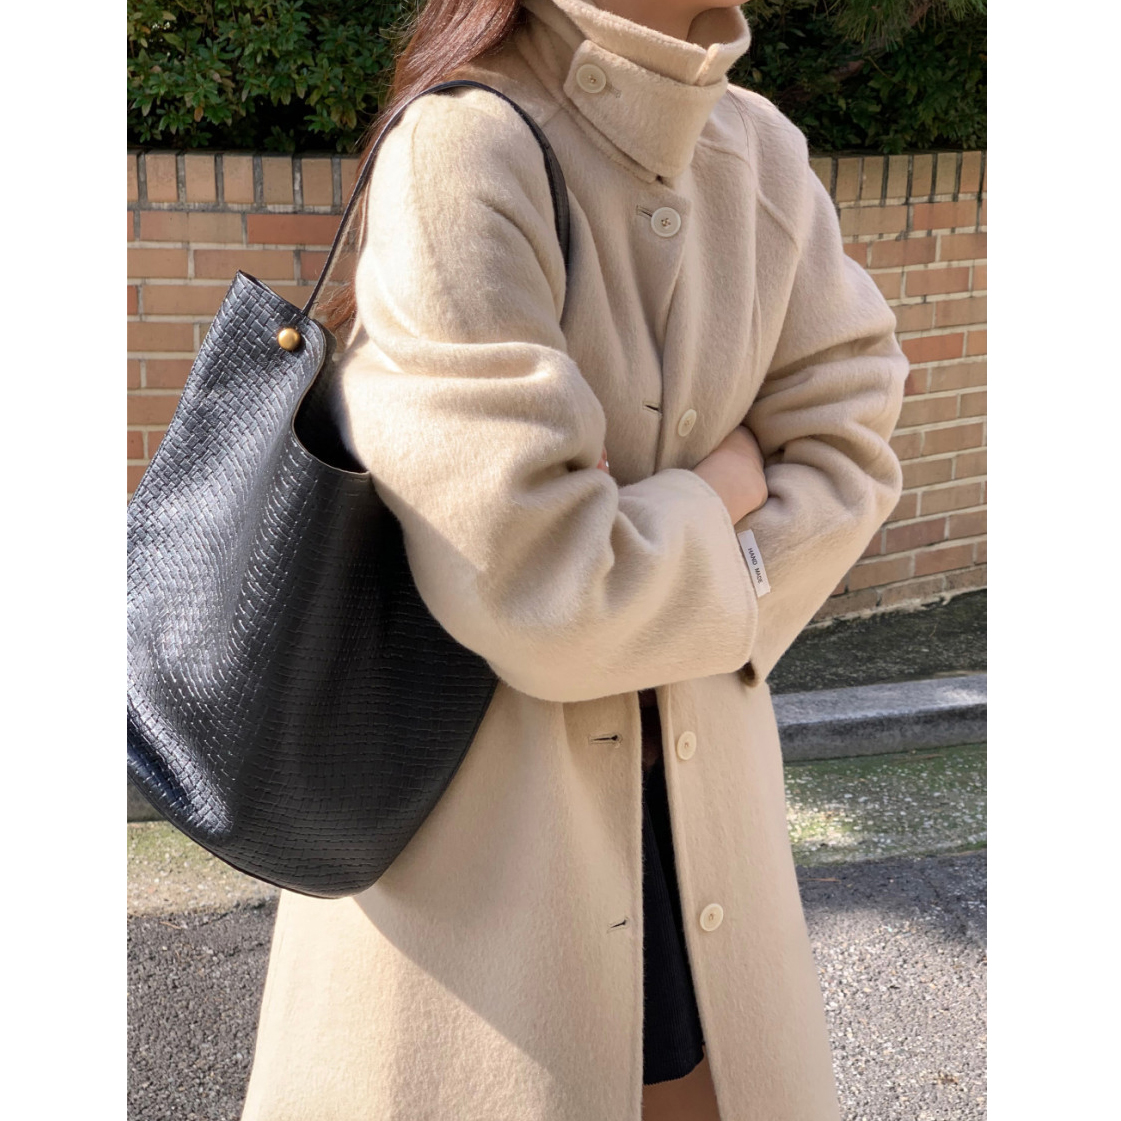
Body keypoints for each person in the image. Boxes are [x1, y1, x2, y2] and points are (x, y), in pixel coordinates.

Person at [240, 1, 907, 1118]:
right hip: (485, 875)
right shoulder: (464, 146)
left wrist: (644, 546)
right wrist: (722, 492)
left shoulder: (760, 149)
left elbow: (848, 440)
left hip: (707, 832)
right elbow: (548, 589)